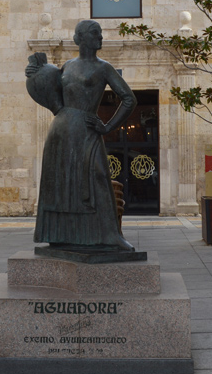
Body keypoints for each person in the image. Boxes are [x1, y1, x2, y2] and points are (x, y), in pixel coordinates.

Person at [25, 19, 136, 250]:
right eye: (95, 33)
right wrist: (34, 75)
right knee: (60, 182)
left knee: (98, 177)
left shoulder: (103, 68)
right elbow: (50, 93)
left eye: (100, 33)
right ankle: (59, 233)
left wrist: (108, 126)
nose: (100, 37)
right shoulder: (66, 66)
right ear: (80, 38)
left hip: (86, 130)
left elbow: (129, 99)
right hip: (61, 129)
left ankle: (110, 235)